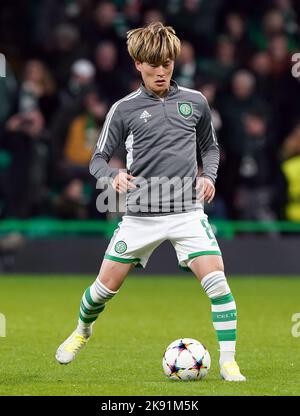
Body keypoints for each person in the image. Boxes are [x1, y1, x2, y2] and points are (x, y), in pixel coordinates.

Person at [55, 22, 246, 382]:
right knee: (102, 290)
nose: (161, 72)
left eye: (168, 64)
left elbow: (210, 147)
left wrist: (209, 177)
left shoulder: (195, 102)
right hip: (140, 216)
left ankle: (228, 363)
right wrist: (112, 177)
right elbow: (97, 159)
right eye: (153, 65)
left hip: (187, 213)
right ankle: (82, 330)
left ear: (175, 63)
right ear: (138, 64)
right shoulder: (123, 109)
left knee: (218, 283)